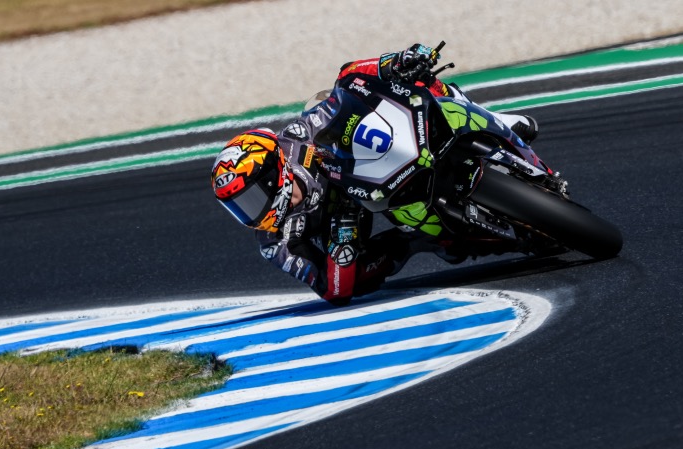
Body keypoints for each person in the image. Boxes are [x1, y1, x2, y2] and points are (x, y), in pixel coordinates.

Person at [211, 44, 539, 304]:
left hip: (372, 167)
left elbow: (346, 86)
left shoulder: (296, 138)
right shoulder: (274, 241)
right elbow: (331, 290)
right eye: (238, 206)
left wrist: (396, 64)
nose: (249, 212)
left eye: (249, 197)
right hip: (352, 221)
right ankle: (425, 240)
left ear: (273, 172)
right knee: (372, 273)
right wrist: (343, 242)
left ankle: (491, 118)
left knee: (409, 83)